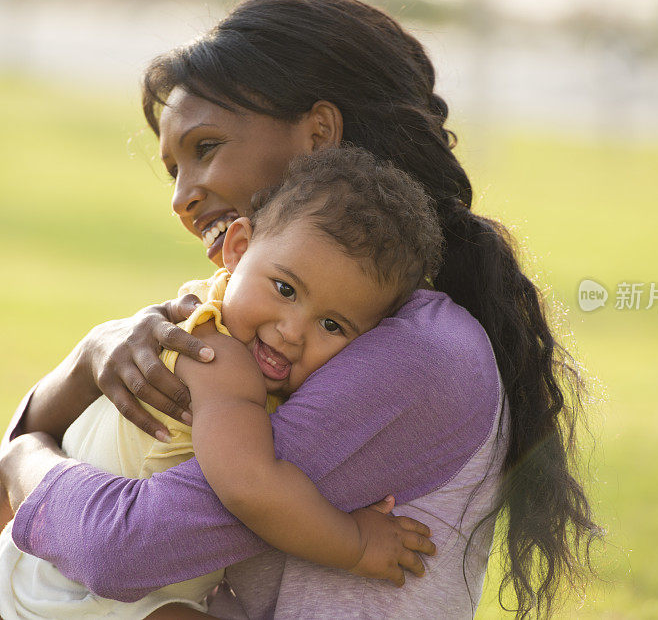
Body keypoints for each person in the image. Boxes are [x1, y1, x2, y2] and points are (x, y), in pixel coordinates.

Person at [1, 0, 600, 619]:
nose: (181, 197)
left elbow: (121, 550)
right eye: (172, 168)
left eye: (206, 147)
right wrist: (95, 349)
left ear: (317, 135)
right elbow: (68, 433)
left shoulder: (423, 355)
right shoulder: (259, 320)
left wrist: (24, 458)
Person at [0, 147, 441, 618]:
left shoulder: (209, 310)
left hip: (67, 562)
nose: (292, 332)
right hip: (70, 590)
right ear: (238, 249)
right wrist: (354, 544)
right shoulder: (217, 357)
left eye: (333, 326)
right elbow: (251, 487)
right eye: (285, 289)